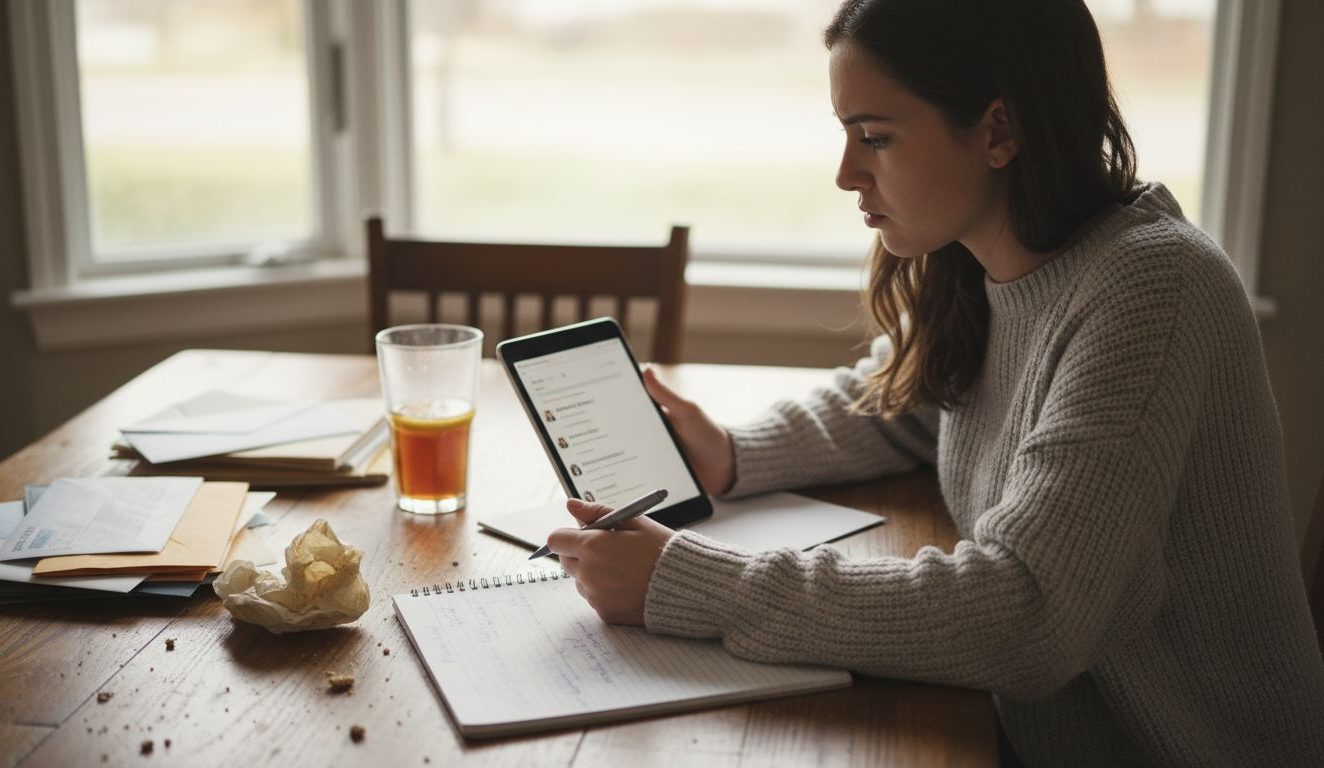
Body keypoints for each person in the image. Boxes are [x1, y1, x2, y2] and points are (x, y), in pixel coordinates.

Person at [544, 0, 1324, 765]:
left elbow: (1026, 613)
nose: (847, 174)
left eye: (874, 137)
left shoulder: (1153, 287)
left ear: (999, 130)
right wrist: (734, 452)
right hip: (1026, 732)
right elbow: (908, 406)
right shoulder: (987, 261)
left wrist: (690, 582)